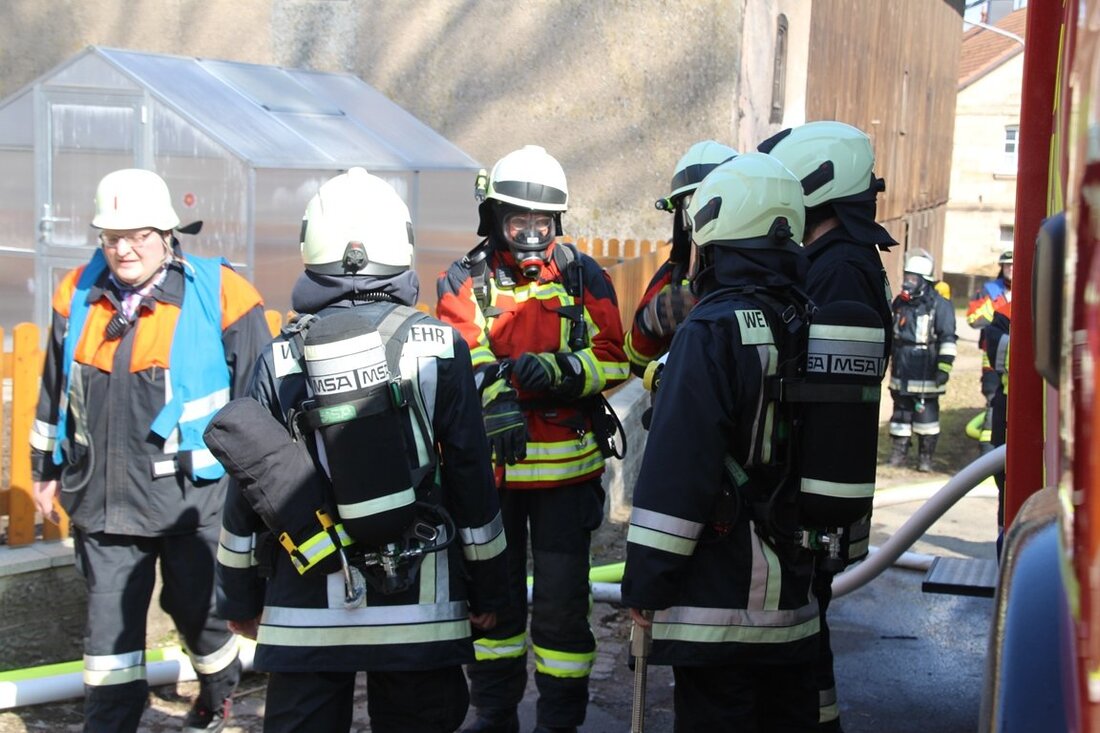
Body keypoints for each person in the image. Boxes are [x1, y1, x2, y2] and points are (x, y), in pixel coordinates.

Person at [209, 168, 509, 733]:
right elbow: (471, 476)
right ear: (402, 244)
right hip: (420, 606)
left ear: (309, 247)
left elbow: (250, 485)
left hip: (307, 606)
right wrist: (490, 589)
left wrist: (239, 597)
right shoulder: (441, 348)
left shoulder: (279, 358)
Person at [29, 168, 270, 733]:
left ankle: (219, 691)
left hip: (194, 502)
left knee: (201, 617)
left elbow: (260, 402)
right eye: (113, 237)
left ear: (167, 235)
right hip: (102, 505)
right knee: (109, 639)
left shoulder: (222, 296)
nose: (124, 249)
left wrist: (259, 499)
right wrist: (45, 470)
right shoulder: (77, 295)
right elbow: (52, 391)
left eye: (139, 235)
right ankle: (109, 723)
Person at [622, 153, 821, 730]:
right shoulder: (806, 319)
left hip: (721, 600)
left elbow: (679, 469)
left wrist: (646, 580)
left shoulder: (711, 329)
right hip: (794, 597)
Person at [436, 145, 629, 733]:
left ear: (557, 224)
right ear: (493, 218)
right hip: (491, 479)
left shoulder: (580, 274)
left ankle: (560, 721)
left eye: (540, 223)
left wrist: (563, 373)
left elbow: (614, 358)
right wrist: (494, 397)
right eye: (516, 220)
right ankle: (493, 714)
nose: (528, 233)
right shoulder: (463, 277)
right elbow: (454, 356)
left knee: (562, 608)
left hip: (567, 479)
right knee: (491, 603)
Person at [759, 119, 897, 731]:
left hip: (808, 490)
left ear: (816, 184)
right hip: (811, 485)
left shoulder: (838, 266)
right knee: (800, 639)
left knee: (801, 643)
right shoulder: (838, 258)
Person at [625, 140, 738, 377]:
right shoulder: (674, 273)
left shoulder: (758, 269)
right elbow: (636, 362)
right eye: (692, 207)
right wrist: (648, 325)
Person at [887, 251, 958, 471]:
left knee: (926, 417)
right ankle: (898, 455)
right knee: (900, 413)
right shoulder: (900, 303)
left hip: (926, 368)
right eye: (907, 276)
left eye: (913, 278)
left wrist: (943, 368)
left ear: (924, 281)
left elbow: (947, 337)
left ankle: (925, 459)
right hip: (902, 366)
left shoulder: (940, 305)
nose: (908, 282)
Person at [967, 248, 1013, 459]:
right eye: (1007, 265)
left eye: (1013, 264)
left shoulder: (1030, 284)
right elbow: (973, 319)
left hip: (1016, 364)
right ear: (1001, 268)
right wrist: (996, 309)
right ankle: (988, 455)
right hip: (992, 361)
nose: (1011, 269)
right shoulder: (990, 291)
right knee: (994, 405)